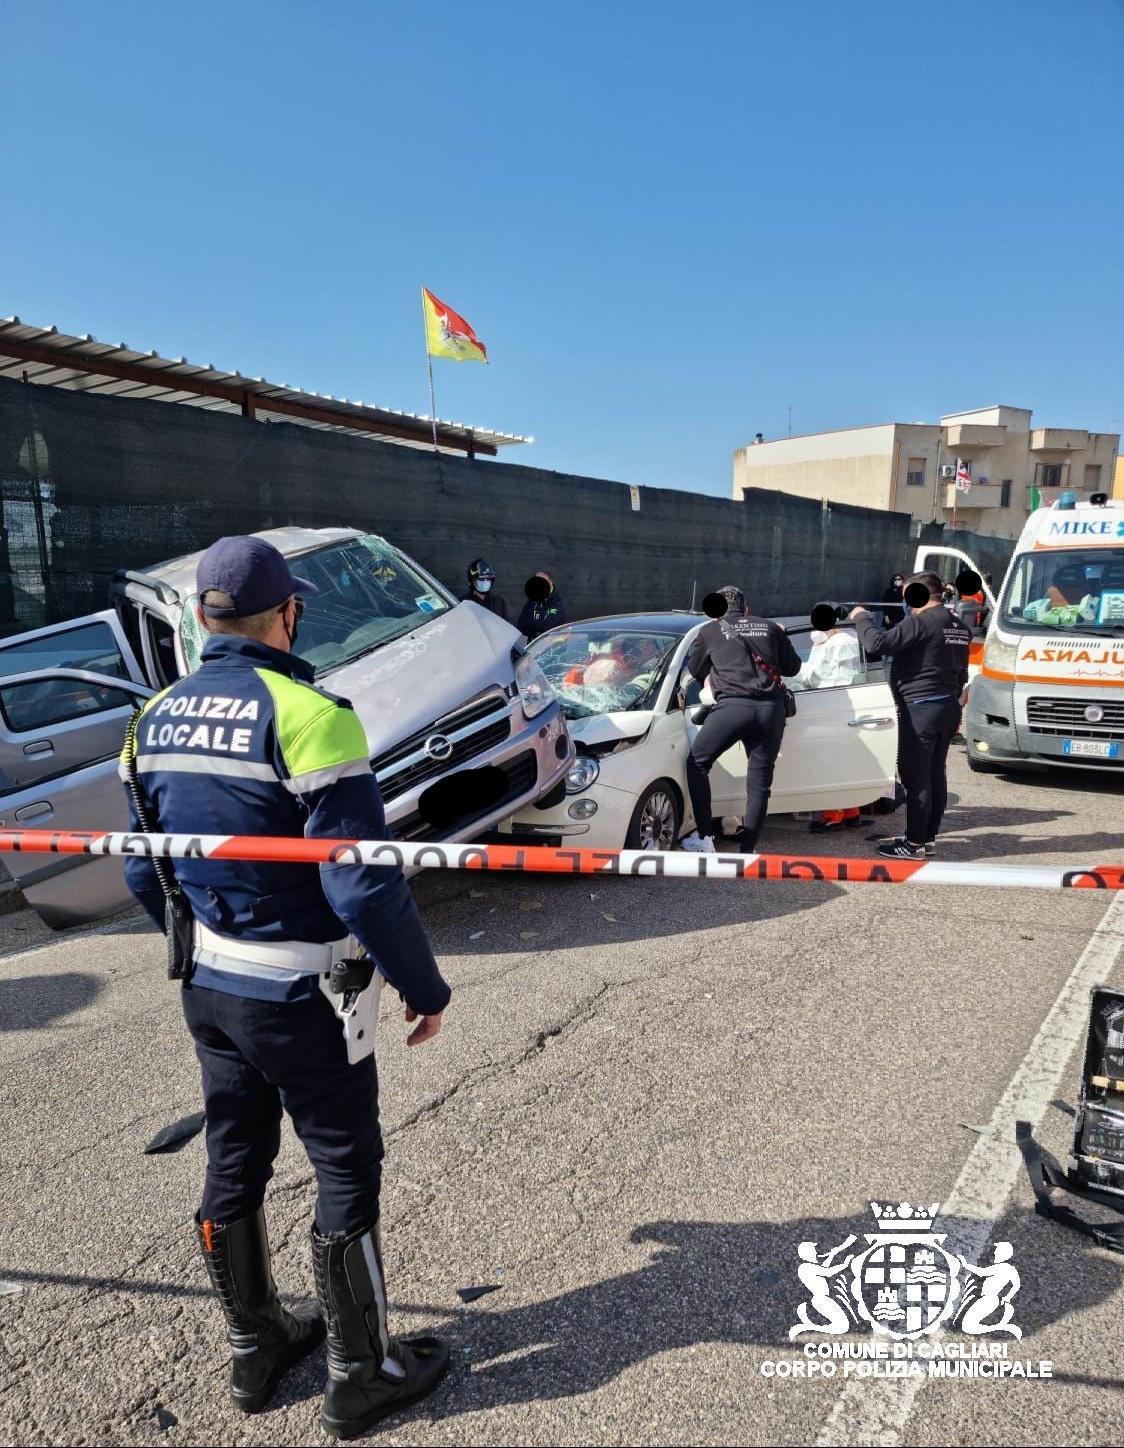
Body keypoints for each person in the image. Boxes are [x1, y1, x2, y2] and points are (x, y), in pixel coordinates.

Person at [120, 536, 452, 1437]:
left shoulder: (151, 719)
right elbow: (358, 879)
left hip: (210, 987)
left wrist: (196, 950)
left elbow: (143, 874)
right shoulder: (312, 714)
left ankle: (255, 1346)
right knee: (344, 1163)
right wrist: (425, 986)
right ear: (289, 613)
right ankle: (363, 1370)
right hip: (306, 994)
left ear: (199, 616)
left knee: (235, 1158)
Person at [850, 571, 970, 861]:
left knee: (917, 777)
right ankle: (926, 838)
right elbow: (962, 673)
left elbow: (877, 645)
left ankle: (914, 844)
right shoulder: (958, 625)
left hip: (921, 708)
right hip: (946, 707)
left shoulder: (921, 622)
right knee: (935, 774)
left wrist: (860, 618)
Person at [680, 584, 801, 854]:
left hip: (732, 708)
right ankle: (748, 849)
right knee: (759, 782)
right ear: (746, 609)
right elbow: (793, 668)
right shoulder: (769, 628)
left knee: (697, 763)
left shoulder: (710, 630)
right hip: (771, 710)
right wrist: (782, 637)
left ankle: (705, 836)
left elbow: (695, 669)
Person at [798, 620, 865, 833]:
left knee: (829, 763)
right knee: (845, 762)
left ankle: (833, 815)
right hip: (844, 706)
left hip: (831, 704)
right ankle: (851, 811)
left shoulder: (838, 643)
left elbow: (823, 677)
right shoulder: (845, 639)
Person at [517, 570, 569, 641]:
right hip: (534, 647)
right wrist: (539, 629)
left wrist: (532, 625)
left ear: (550, 582)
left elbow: (549, 626)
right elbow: (521, 625)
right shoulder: (531, 601)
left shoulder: (558, 602)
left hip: (555, 648)